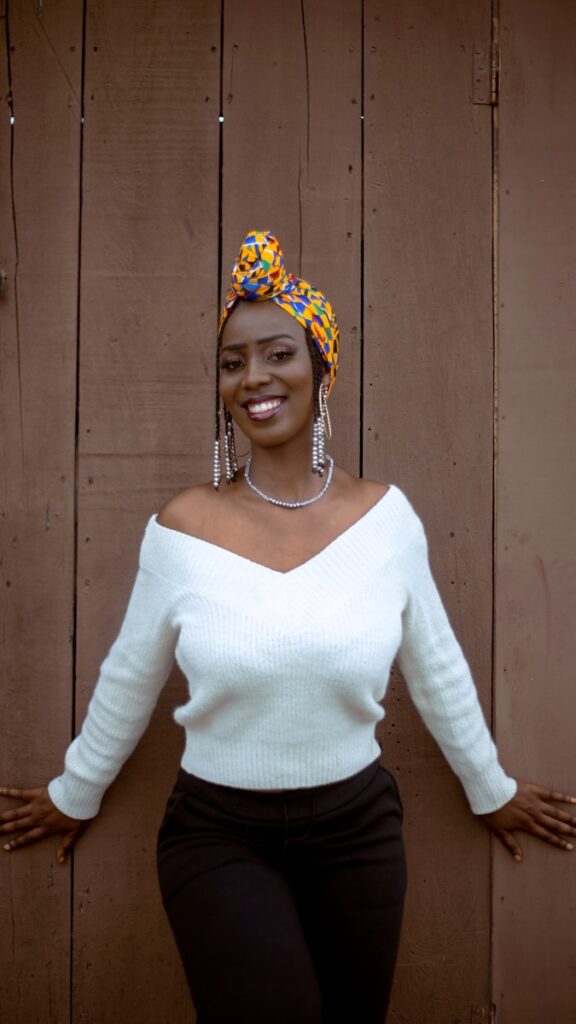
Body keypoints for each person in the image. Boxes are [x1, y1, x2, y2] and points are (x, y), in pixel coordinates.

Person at [1, 229, 575, 1024]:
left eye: (278, 354)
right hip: (218, 834)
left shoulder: (387, 521)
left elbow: (436, 668)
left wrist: (491, 789)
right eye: (233, 363)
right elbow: (129, 676)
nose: (254, 378)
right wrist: (75, 791)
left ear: (320, 369)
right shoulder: (182, 528)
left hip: (359, 834)